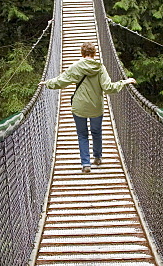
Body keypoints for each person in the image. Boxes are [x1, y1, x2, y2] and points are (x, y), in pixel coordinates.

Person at [42, 43, 136, 172]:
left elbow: (61, 81)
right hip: (96, 107)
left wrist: (47, 83)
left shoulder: (76, 67)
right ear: (95, 54)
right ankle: (97, 158)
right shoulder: (100, 68)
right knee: (96, 132)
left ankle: (86, 164)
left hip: (79, 106)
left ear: (82, 53)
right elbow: (109, 88)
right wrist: (125, 82)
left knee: (82, 135)